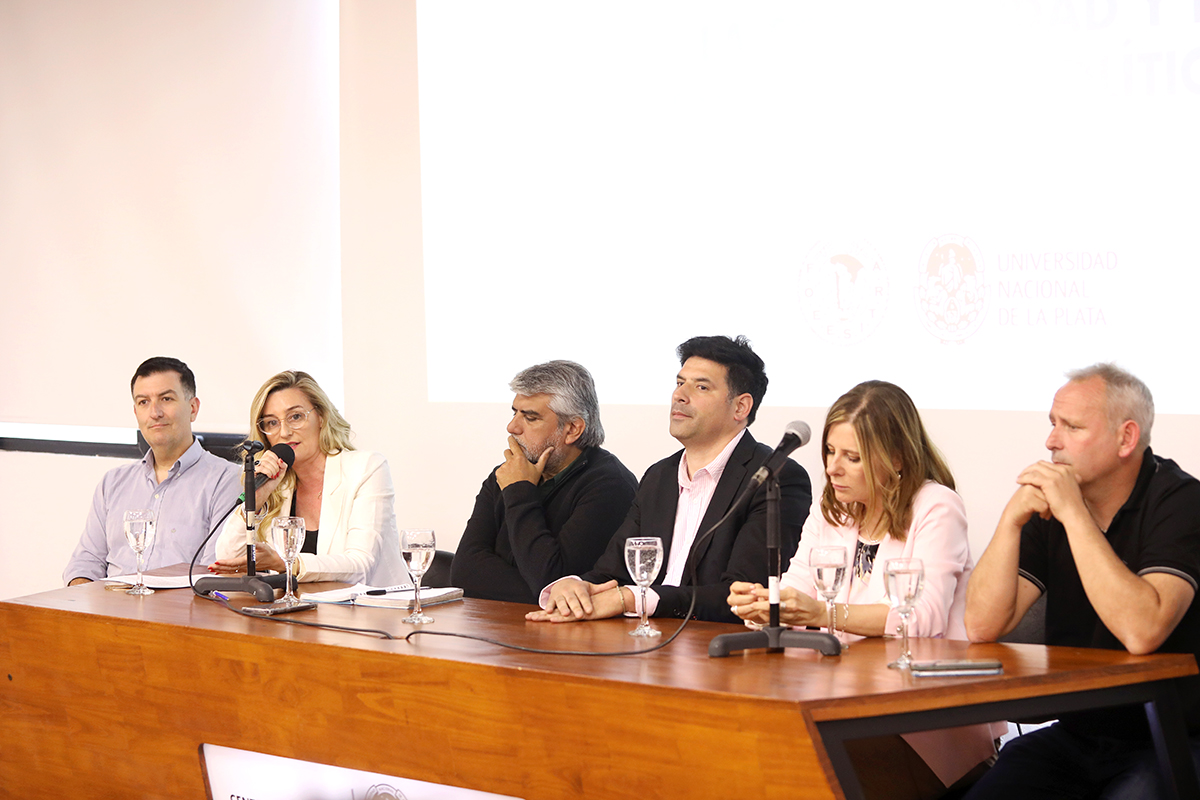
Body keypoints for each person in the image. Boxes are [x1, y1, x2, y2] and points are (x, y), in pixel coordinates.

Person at [728, 380, 997, 798]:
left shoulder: (936, 506)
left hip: (920, 718)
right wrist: (766, 606)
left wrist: (822, 614)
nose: (833, 468)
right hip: (839, 699)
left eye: (852, 457)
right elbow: (800, 584)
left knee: (801, 768)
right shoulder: (833, 508)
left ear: (896, 458)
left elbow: (920, 618)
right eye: (830, 452)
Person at [963, 364, 1200, 799]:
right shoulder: (1050, 507)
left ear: (1126, 438)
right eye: (1053, 424)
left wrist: (1073, 515)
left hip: (1172, 735)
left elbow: (1142, 630)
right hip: (1079, 735)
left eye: (1071, 427)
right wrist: (1011, 521)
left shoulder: (1182, 501)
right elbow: (981, 625)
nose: (1051, 441)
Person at [526, 335, 812, 625]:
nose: (680, 396)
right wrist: (576, 586)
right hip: (646, 638)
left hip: (718, 643)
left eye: (701, 387)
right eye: (679, 383)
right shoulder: (659, 476)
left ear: (740, 407)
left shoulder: (775, 477)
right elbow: (611, 574)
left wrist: (638, 599)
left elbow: (746, 595)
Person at [451, 361, 638, 604]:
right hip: (499, 622)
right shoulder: (505, 474)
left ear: (572, 429)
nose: (512, 427)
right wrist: (544, 590)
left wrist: (519, 492)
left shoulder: (610, 486)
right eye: (515, 413)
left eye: (530, 417)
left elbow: (553, 580)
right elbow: (463, 572)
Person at [210, 370, 407, 587]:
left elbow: (360, 565)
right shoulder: (277, 482)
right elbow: (229, 559)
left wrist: (285, 563)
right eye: (272, 423)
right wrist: (256, 500)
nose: (284, 432)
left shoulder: (366, 468)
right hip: (302, 606)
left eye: (295, 417)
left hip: (375, 604)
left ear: (321, 417)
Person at [64, 357, 241, 585]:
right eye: (143, 402)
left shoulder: (226, 481)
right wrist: (82, 601)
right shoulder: (113, 482)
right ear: (135, 412)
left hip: (180, 607)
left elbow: (213, 575)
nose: (154, 412)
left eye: (166, 399)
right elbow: (85, 563)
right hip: (111, 603)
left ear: (193, 408)